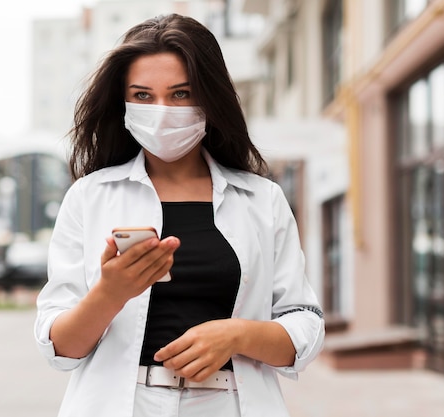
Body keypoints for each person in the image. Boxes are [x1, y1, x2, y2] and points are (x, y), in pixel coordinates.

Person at [35, 13, 324, 417]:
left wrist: (238, 334)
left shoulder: (262, 199)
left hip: (233, 405)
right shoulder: (89, 197)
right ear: (123, 103)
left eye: (181, 94)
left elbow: (304, 325)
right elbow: (59, 349)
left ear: (210, 97)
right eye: (142, 95)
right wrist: (110, 293)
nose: (162, 110)